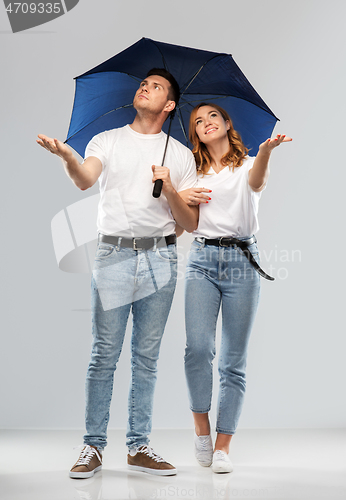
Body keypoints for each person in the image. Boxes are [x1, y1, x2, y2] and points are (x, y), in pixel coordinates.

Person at [37, 68, 198, 478]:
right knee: (103, 356)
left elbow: (190, 224)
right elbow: (84, 179)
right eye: (144, 83)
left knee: (146, 358)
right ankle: (92, 446)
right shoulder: (106, 140)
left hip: (161, 258)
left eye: (156, 86)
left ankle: (138, 445)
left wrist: (172, 187)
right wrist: (67, 156)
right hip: (114, 254)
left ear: (170, 105)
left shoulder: (179, 155)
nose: (146, 87)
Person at [179, 103, 291, 473]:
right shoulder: (191, 174)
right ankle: (201, 430)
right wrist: (181, 197)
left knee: (233, 361)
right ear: (195, 134)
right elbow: (189, 225)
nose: (205, 122)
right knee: (197, 349)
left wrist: (266, 153)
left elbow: (257, 182)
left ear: (227, 123)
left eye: (212, 116)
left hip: (243, 261)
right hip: (202, 260)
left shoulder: (247, 165)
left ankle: (223, 446)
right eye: (198, 121)